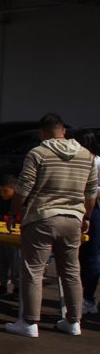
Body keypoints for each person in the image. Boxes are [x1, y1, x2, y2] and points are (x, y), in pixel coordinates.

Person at [5, 114, 98, 337]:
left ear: (42, 133)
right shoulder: (86, 156)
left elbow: (23, 189)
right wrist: (85, 217)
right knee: (71, 271)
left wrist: (13, 213)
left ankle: (29, 323)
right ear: (63, 130)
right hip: (73, 217)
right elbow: (91, 193)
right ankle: (74, 321)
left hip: (41, 217)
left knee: (34, 270)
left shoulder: (38, 153)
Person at [76, 130, 100, 315]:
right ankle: (85, 298)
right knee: (85, 256)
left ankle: (88, 299)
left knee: (90, 256)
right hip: (86, 210)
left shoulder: (94, 162)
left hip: (93, 211)